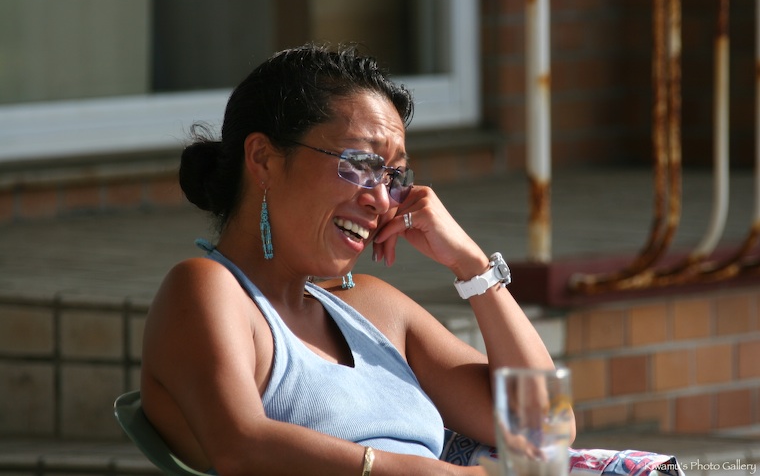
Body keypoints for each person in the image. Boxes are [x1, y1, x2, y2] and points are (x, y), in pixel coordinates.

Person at [140, 42, 571, 476]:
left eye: (393, 175)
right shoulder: (206, 290)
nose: (381, 200)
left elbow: (545, 428)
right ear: (263, 159)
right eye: (360, 163)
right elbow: (242, 448)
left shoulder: (373, 308)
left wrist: (473, 267)